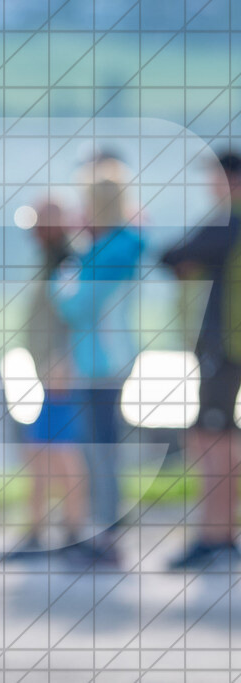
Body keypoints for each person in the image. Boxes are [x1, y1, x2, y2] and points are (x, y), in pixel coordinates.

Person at [51, 158, 145, 568]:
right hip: (102, 359)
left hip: (104, 361)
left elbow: (76, 306)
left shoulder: (114, 248)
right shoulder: (111, 245)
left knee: (101, 450)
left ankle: (107, 535)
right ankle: (101, 530)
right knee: (97, 449)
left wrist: (64, 276)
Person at [160, 150, 241, 570]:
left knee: (211, 440)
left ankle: (214, 537)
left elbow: (171, 255)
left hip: (222, 348)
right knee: (224, 437)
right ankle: (223, 535)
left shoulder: (230, 220)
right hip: (229, 350)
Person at [1, 198, 88, 562]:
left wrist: (63, 360)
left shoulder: (68, 263)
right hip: (45, 372)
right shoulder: (54, 261)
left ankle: (71, 531)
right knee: (40, 452)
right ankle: (39, 531)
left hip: (59, 373)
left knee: (60, 453)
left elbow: (75, 317)